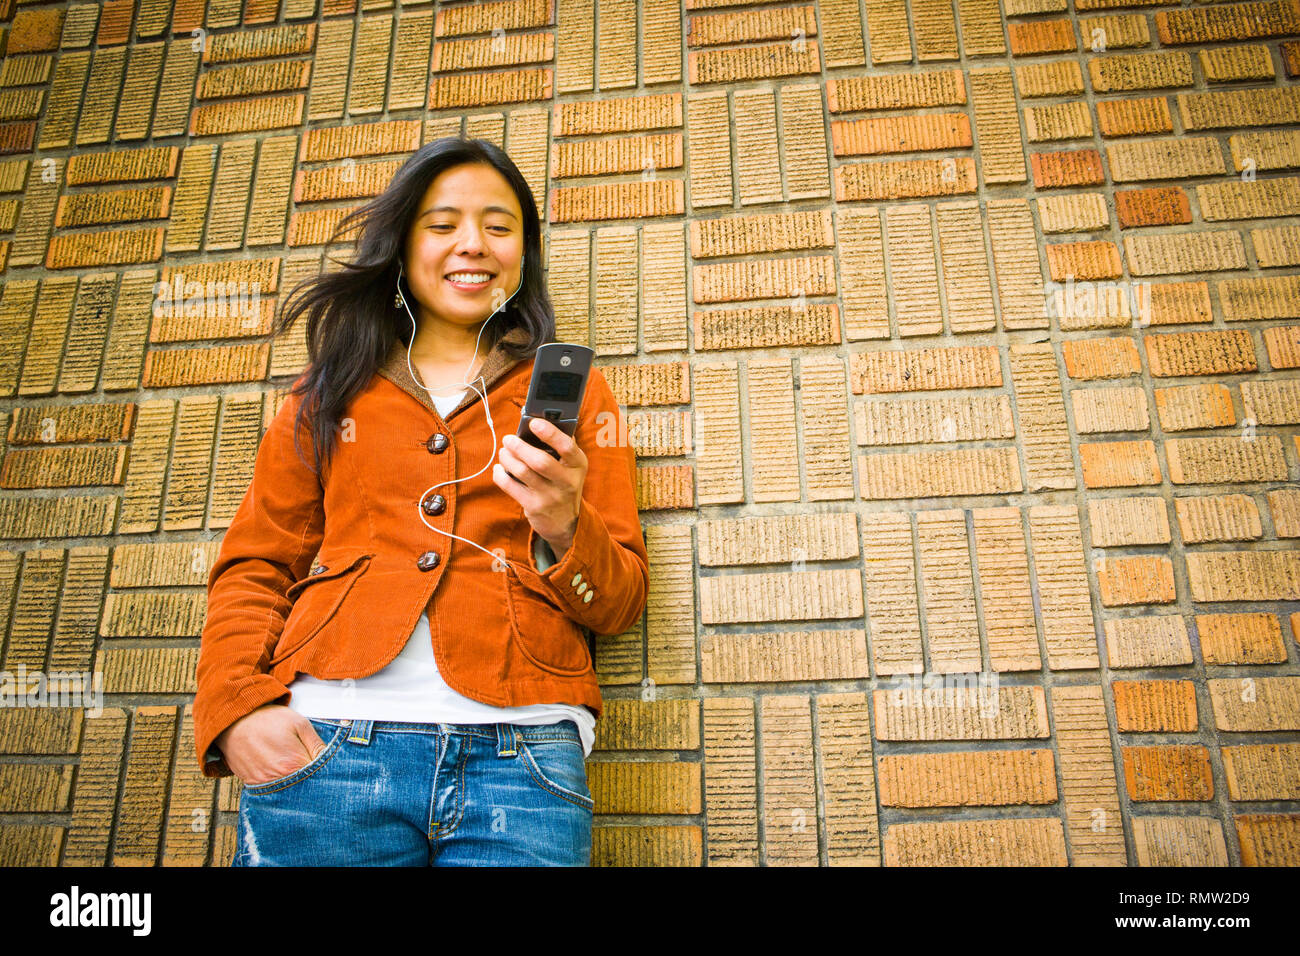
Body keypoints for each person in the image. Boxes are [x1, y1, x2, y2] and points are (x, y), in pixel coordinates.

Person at [193, 137, 650, 866]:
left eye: (500, 227)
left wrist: (566, 527)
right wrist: (236, 710)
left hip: (524, 759)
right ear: (402, 246)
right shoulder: (326, 392)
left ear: (524, 254)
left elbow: (618, 601)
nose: (473, 243)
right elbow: (256, 564)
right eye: (442, 225)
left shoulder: (575, 395)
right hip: (328, 749)